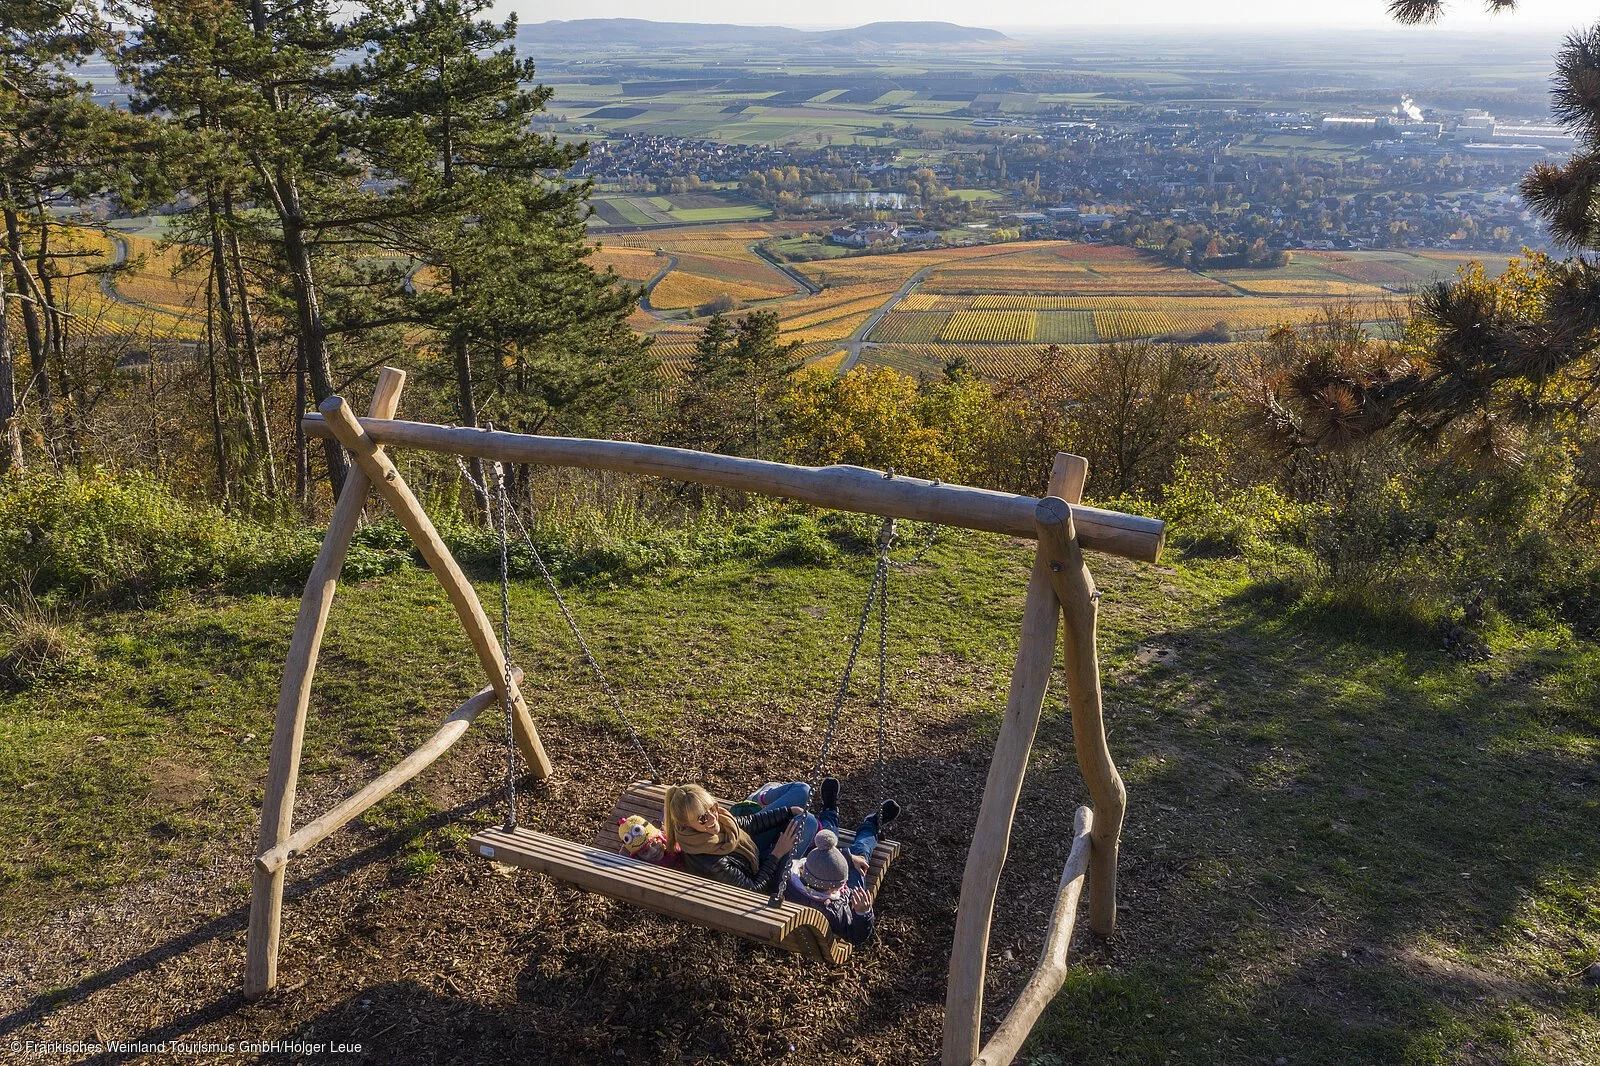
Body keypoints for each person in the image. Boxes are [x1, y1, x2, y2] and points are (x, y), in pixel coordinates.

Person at [781, 776, 899, 947]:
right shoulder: (835, 913)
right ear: (837, 886)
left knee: (826, 838)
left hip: (821, 879)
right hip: (852, 894)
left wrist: (847, 856)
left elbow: (817, 854)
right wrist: (862, 913)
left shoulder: (791, 877)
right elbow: (857, 937)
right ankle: (872, 824)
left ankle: (830, 809)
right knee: (861, 851)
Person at [662, 783, 802, 893]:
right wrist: (777, 854)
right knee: (808, 822)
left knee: (802, 790)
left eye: (713, 808)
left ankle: (759, 798)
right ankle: (823, 822)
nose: (712, 818)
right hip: (760, 874)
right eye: (703, 818)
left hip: (750, 852)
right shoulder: (710, 861)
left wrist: (786, 812)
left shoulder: (721, 820)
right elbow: (754, 889)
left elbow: (749, 823)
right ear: (686, 824)